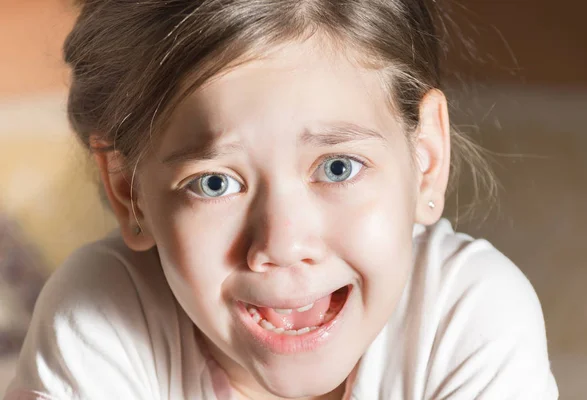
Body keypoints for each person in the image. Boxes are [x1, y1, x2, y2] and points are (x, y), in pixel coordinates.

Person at [5, 1, 558, 399]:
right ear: (129, 193)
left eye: (338, 168)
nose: (283, 244)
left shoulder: (466, 315)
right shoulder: (100, 312)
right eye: (214, 182)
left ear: (427, 158)